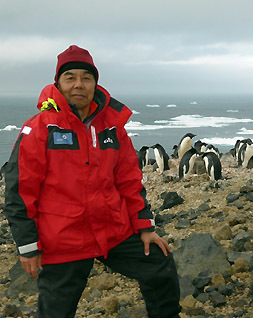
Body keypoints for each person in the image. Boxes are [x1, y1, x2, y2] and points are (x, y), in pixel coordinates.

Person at [4, 45, 181, 318]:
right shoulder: (41, 129)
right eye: (70, 77)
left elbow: (129, 180)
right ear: (58, 83)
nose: (79, 84)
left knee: (160, 264)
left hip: (112, 231)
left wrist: (145, 226)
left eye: (86, 78)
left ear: (95, 83)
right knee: (55, 312)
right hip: (63, 239)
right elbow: (19, 192)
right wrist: (28, 248)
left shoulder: (111, 128)